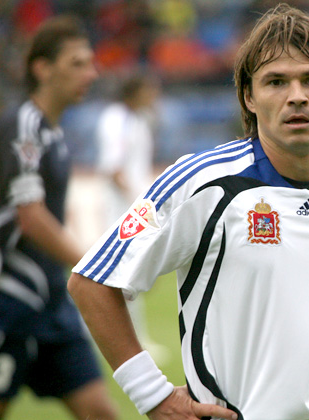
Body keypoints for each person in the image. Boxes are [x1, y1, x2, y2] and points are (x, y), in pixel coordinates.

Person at [68, 4, 309, 420]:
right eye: (276, 82)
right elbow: (91, 283)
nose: (297, 96)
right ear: (249, 97)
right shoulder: (203, 185)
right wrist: (151, 394)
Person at [0, 16, 117, 420]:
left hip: (51, 303)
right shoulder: (21, 123)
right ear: (42, 68)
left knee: (102, 413)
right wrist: (94, 266)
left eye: (91, 63)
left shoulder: (53, 134)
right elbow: (31, 217)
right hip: (10, 300)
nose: (91, 74)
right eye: (78, 63)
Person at [95, 72, 169, 363]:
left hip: (134, 209)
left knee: (134, 276)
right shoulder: (117, 120)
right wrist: (138, 206)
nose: (154, 96)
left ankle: (136, 339)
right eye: (150, 90)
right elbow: (114, 170)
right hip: (124, 212)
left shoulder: (139, 119)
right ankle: (129, 342)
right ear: (135, 91)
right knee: (124, 277)